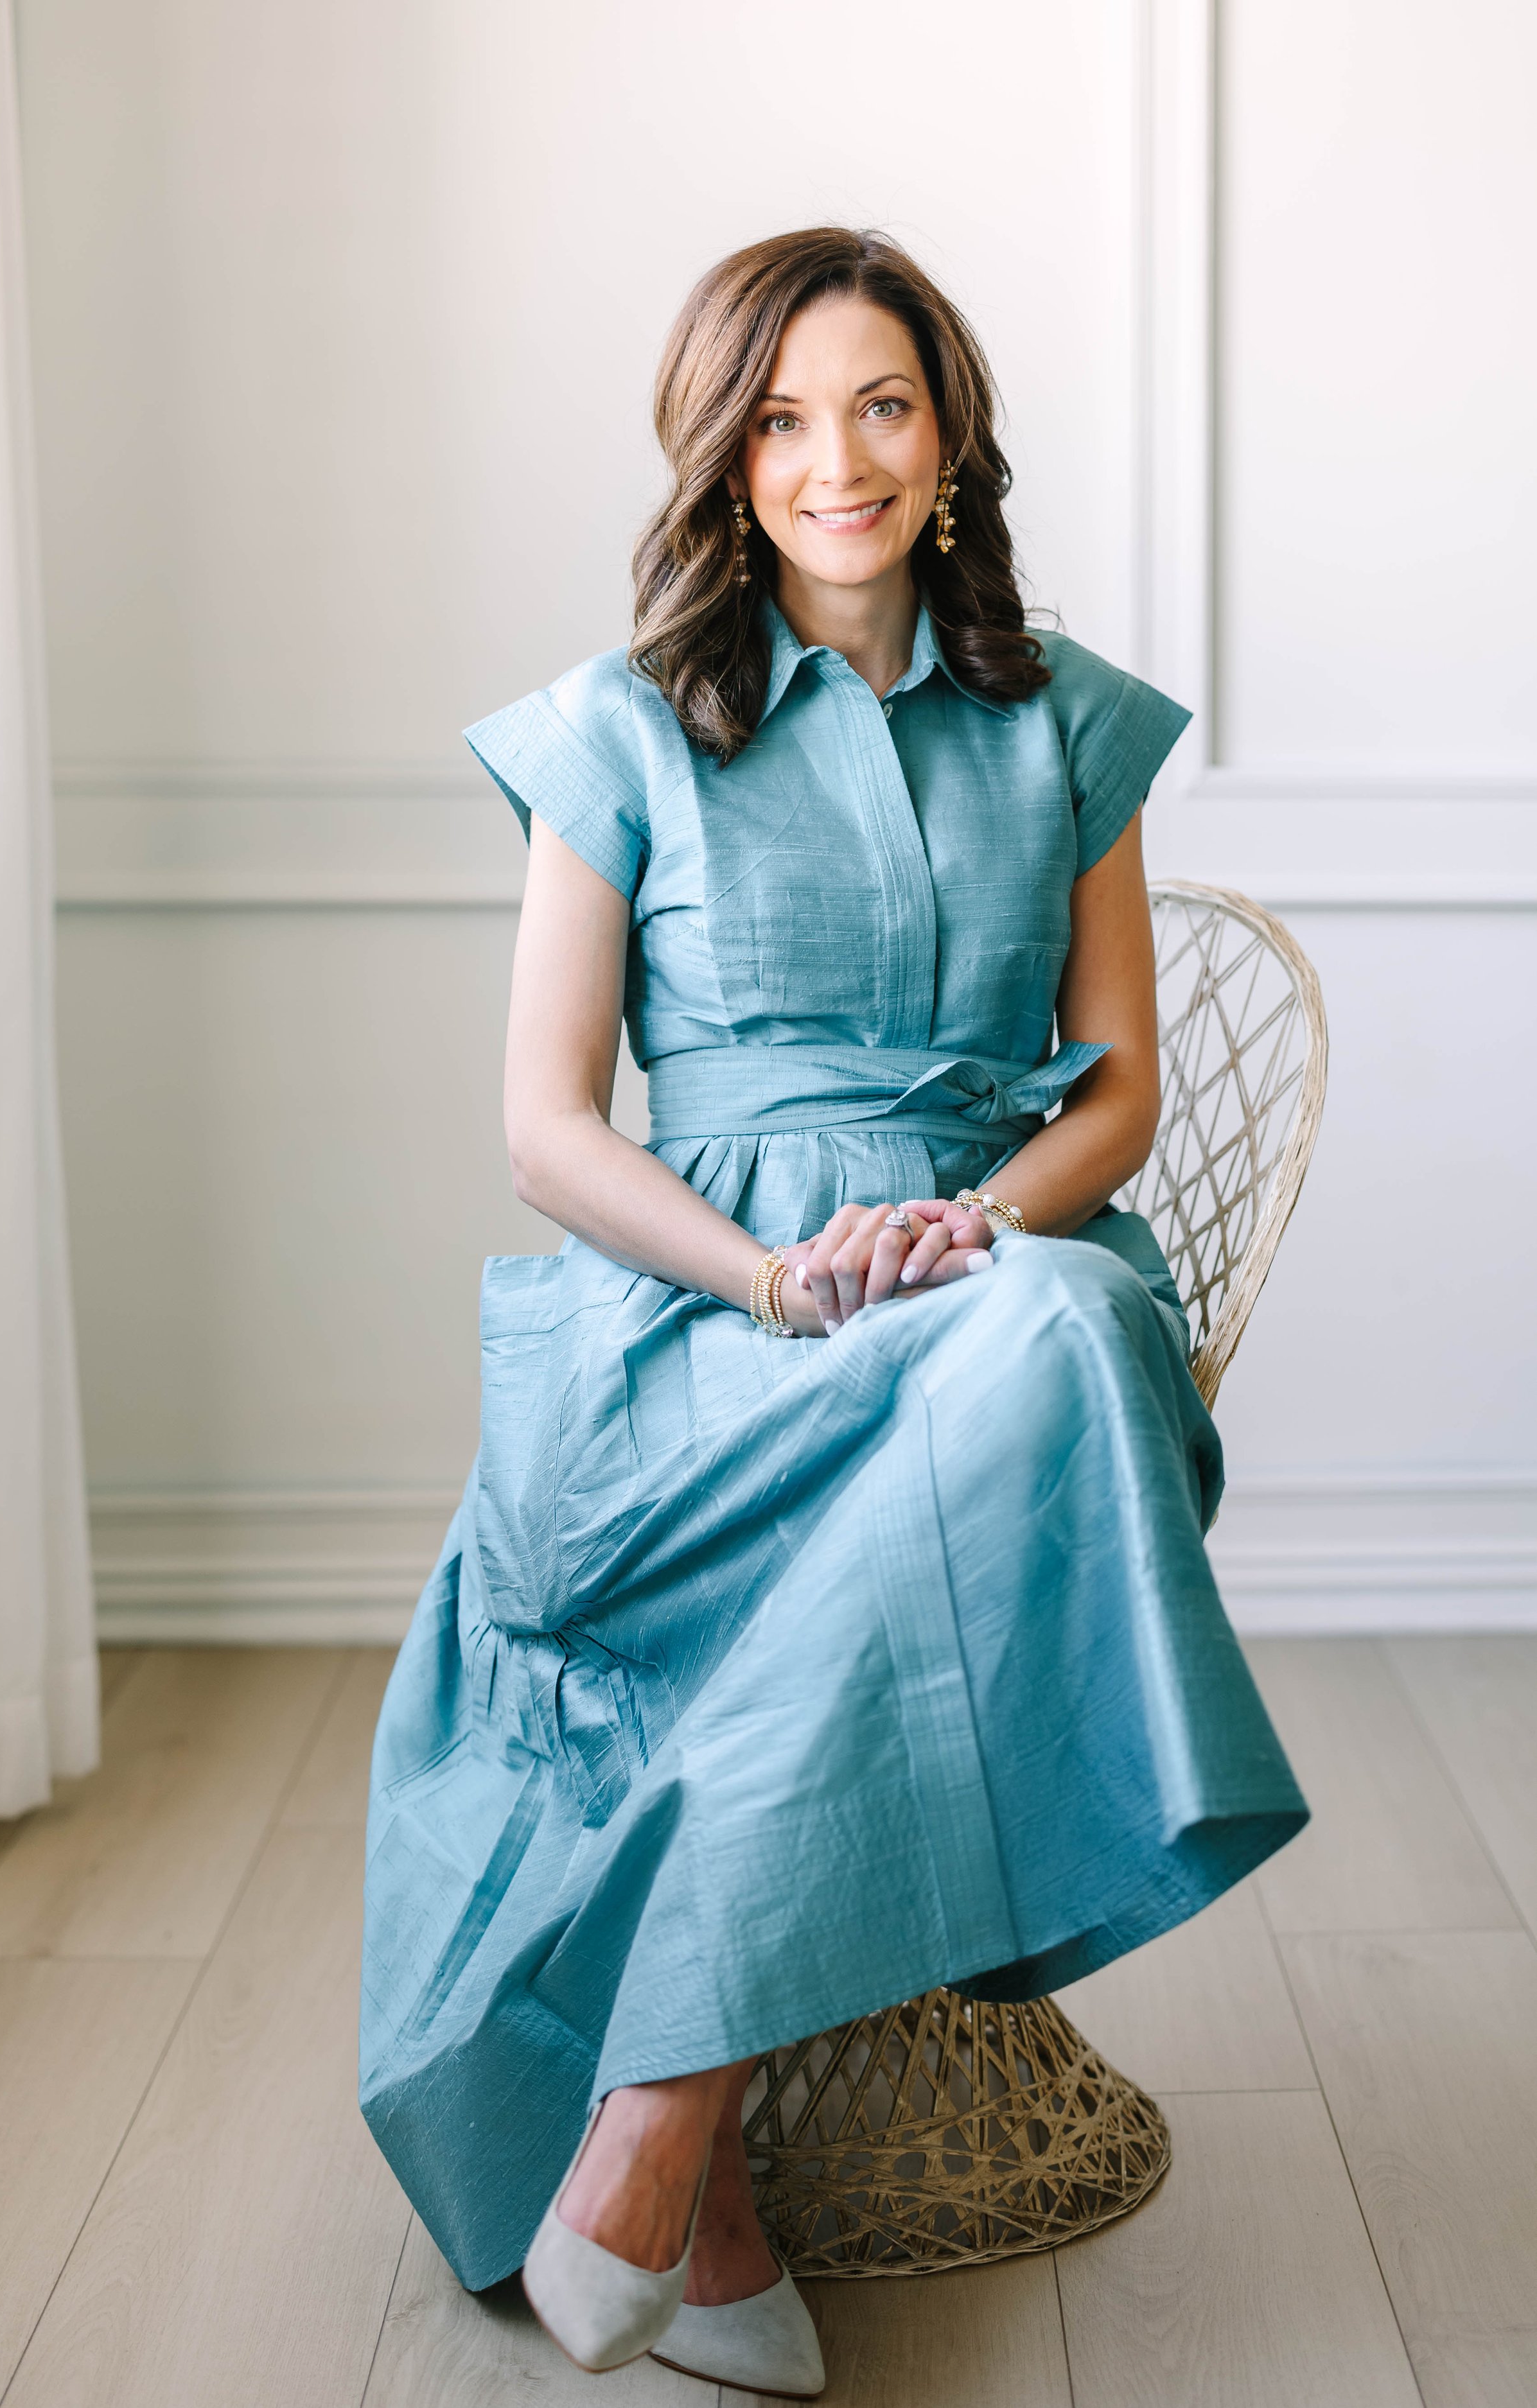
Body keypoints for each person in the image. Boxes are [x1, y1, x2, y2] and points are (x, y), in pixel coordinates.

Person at [360, 226, 1306, 2395]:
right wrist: (783, 1272)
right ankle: (693, 2168)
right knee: (1021, 1368)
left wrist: (967, 1228)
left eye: (878, 404)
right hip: (708, 1319)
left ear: (949, 433)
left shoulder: (1068, 722)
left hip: (1002, 1263)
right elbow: (544, 1128)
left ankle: (666, 2111)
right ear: (722, 461)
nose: (834, 459)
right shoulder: (614, 729)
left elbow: (1127, 1086)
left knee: (1060, 1335)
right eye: (779, 419)